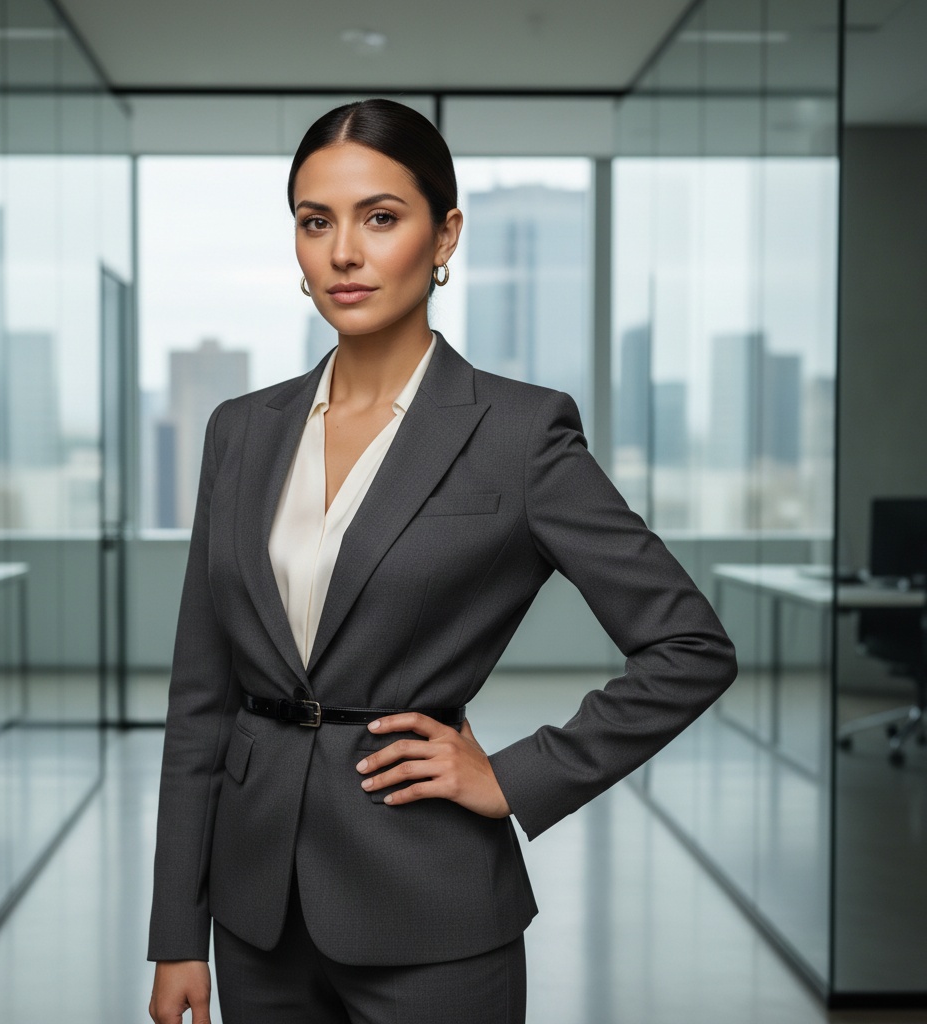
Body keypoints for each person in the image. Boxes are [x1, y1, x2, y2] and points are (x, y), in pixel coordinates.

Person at [147, 98, 737, 1024]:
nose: (344, 251)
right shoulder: (240, 432)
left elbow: (689, 647)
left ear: (444, 234)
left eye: (380, 217)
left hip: (430, 906)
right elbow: (200, 702)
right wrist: (176, 928)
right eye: (316, 221)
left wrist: (514, 775)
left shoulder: (520, 433)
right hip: (254, 914)